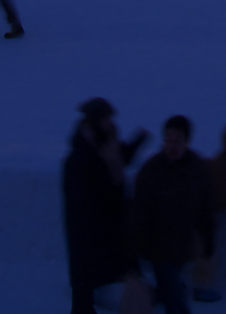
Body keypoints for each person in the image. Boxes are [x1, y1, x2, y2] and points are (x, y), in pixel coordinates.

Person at [62, 99, 148, 314]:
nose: (110, 122)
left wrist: (137, 142)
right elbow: (82, 200)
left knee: (118, 273)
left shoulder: (108, 144)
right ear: (94, 121)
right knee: (84, 279)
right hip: (90, 228)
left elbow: (119, 159)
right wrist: (94, 223)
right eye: (106, 119)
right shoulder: (80, 157)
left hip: (111, 224)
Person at [133, 116, 215, 314]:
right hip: (158, 248)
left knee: (168, 292)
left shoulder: (197, 168)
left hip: (182, 246)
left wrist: (208, 239)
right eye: (168, 140)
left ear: (187, 141)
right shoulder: (151, 170)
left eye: (177, 140)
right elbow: (138, 212)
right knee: (176, 302)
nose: (172, 146)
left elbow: (205, 207)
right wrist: (139, 243)